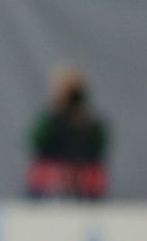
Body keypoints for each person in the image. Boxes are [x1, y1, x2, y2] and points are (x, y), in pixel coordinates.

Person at [27, 67, 110, 200]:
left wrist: (83, 123)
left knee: (91, 178)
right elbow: (35, 141)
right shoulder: (50, 120)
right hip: (53, 170)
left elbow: (100, 146)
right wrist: (55, 114)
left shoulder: (90, 122)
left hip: (84, 171)